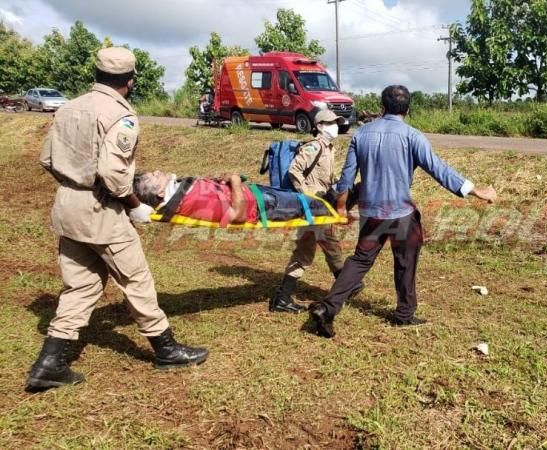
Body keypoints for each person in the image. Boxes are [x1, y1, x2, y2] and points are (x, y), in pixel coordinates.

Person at [28, 47, 208, 390]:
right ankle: (166, 349)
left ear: (97, 74)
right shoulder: (120, 116)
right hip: (102, 209)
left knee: (80, 285)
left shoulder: (68, 108)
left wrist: (74, 185)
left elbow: (47, 160)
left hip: (67, 205)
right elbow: (112, 174)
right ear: (130, 80)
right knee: (136, 279)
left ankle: (49, 363)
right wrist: (134, 204)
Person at [309, 85, 497, 338]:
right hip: (400, 213)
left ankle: (328, 308)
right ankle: (404, 314)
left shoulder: (361, 134)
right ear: (408, 109)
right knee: (406, 261)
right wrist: (475, 190)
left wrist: (342, 207)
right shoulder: (412, 136)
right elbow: (438, 169)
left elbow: (346, 179)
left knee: (360, 260)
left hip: (371, 212)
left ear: (382, 107)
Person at [270, 109, 362, 314]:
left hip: (320, 207)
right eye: (330, 123)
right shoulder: (314, 147)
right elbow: (295, 170)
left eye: (336, 123)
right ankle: (283, 298)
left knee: (322, 247)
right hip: (313, 207)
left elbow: (326, 179)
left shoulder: (328, 148)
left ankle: (284, 297)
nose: (335, 126)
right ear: (319, 126)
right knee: (311, 250)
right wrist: (307, 196)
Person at [132, 171, 337, 225]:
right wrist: (235, 181)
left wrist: (223, 181)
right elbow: (238, 215)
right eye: (154, 176)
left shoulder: (180, 191)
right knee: (316, 205)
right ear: (160, 193)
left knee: (314, 201)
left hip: (258, 196)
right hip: (264, 204)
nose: (157, 171)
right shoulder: (192, 201)